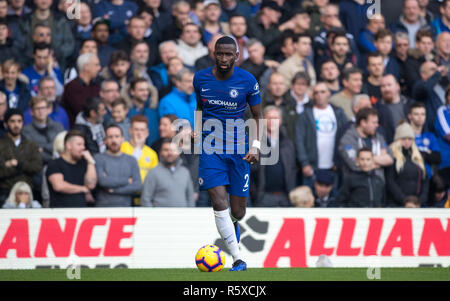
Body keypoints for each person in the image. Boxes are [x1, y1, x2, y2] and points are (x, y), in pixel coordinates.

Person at [193, 36, 263, 271]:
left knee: (238, 212)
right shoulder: (200, 78)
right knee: (217, 200)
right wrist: (196, 128)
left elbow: (258, 116)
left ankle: (233, 223)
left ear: (236, 56)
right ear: (214, 54)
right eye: (219, 54)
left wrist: (256, 146)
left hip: (238, 150)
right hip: (210, 148)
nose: (223, 59)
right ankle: (237, 258)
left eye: (227, 54)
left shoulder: (248, 80)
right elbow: (200, 108)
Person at [294, 82, 347, 187]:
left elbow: (345, 137)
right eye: (316, 92)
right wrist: (304, 163)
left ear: (329, 93)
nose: (319, 95)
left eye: (323, 92)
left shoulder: (339, 113)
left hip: (333, 167)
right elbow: (299, 140)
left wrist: (339, 161)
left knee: (333, 200)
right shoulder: (305, 115)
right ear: (313, 96)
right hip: (312, 167)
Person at [251, 106, 296, 207]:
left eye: (275, 118)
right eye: (269, 118)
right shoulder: (255, 142)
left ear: (280, 121)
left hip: (285, 197)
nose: (272, 121)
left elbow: (292, 170)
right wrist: (255, 194)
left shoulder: (288, 144)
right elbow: (251, 171)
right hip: (263, 197)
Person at [338, 107, 394, 183]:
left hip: (378, 185)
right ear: (363, 123)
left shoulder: (378, 137)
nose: (377, 125)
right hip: (357, 186)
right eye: (374, 123)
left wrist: (365, 160)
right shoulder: (347, 140)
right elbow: (354, 165)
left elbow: (390, 158)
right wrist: (380, 160)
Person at [0, 109, 43, 206]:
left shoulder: (31, 145)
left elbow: (37, 167)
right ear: (6, 124)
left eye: (19, 121)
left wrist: (16, 164)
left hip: (27, 191)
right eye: (12, 121)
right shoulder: (1, 144)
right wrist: (23, 167)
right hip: (5, 191)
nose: (16, 125)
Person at [46, 130, 97, 207]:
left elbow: (91, 185)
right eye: (79, 144)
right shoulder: (55, 164)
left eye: (83, 145)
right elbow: (58, 186)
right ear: (68, 145)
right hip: (60, 214)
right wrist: (83, 189)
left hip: (81, 214)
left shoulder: (84, 163)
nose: (83, 148)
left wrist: (91, 162)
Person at [94, 125, 142, 207]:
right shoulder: (98, 158)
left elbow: (137, 185)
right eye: (110, 137)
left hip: (126, 208)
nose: (114, 140)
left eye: (117, 136)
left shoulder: (131, 160)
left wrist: (114, 190)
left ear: (122, 139)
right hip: (102, 208)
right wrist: (127, 181)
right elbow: (103, 181)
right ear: (105, 140)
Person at [141, 138, 195, 207]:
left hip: (182, 217)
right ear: (160, 152)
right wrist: (153, 217)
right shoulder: (153, 172)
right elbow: (145, 200)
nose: (169, 153)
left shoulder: (185, 172)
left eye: (173, 150)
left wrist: (189, 215)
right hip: (160, 217)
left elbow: (190, 198)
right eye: (166, 150)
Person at [386, 122, 429, 207]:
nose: (407, 142)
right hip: (397, 204)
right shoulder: (392, 156)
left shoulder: (418, 156)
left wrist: (420, 200)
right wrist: (404, 200)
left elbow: (425, 180)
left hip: (417, 204)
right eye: (404, 139)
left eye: (410, 139)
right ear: (398, 139)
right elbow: (390, 181)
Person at [120, 115, 159, 205]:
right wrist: (138, 147)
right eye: (136, 129)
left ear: (147, 132)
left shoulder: (152, 153)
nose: (139, 133)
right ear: (130, 131)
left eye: (142, 130)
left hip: (144, 198)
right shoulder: (122, 147)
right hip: (125, 196)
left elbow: (155, 177)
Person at [22, 96, 65, 165]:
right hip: (38, 168)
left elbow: (63, 148)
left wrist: (43, 148)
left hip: (60, 167)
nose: (41, 111)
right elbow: (34, 154)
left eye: (43, 108)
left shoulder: (58, 127)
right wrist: (54, 153)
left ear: (48, 110)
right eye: (37, 108)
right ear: (31, 112)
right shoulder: (26, 131)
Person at [62, 53, 101, 126]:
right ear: (86, 67)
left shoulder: (96, 85)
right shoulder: (72, 87)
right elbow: (82, 111)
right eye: (96, 65)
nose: (99, 68)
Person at [408, 102, 441, 178]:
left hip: (427, 177)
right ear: (410, 116)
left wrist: (417, 152)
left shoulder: (430, 136)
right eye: (416, 114)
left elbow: (437, 158)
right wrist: (427, 152)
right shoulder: (405, 136)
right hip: (410, 179)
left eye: (423, 114)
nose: (420, 117)